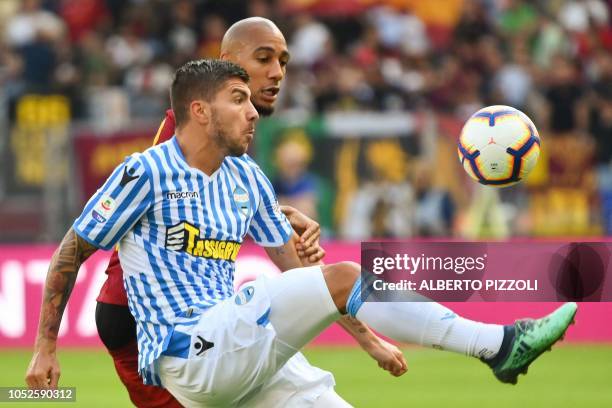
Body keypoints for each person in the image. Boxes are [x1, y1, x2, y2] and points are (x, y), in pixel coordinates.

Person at [27, 57, 577, 407]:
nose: (254, 113)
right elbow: (70, 253)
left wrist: (369, 339)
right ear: (199, 110)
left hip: (242, 355)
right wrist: (45, 349)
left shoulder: (246, 178)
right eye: (237, 100)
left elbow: (300, 274)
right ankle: (498, 346)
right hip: (186, 352)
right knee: (345, 275)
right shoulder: (143, 172)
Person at [27, 18, 406, 407]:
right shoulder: (189, 128)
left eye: (283, 61)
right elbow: (165, 196)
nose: (276, 72)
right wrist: (46, 344)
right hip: (140, 314)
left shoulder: (237, 132)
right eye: (264, 59)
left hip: (199, 321)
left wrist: (274, 214)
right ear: (229, 62)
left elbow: (209, 199)